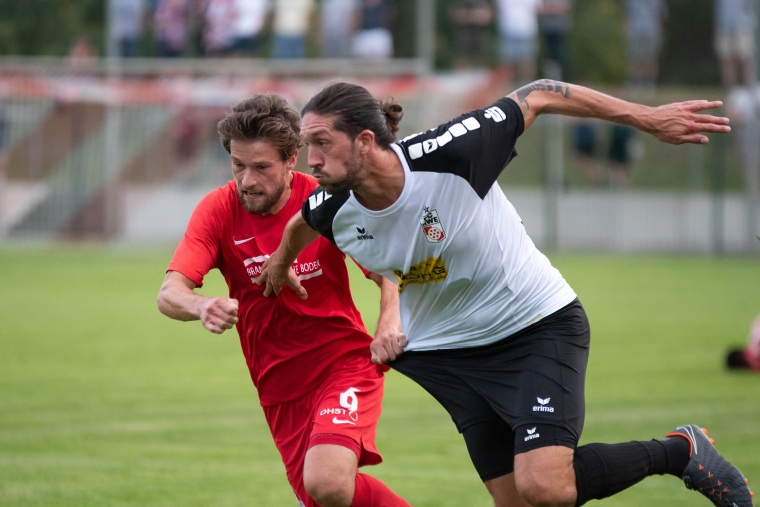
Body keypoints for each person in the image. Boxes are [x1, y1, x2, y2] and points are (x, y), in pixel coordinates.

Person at [257, 80, 754, 507]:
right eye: (308, 143)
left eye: (322, 142)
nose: (311, 158)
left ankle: (680, 451)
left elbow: (537, 94)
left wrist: (645, 117)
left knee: (546, 487)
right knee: (518, 501)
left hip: (533, 325)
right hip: (448, 357)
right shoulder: (331, 204)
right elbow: (302, 222)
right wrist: (280, 264)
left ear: (365, 141)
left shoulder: (451, 152)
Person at [157, 93, 411, 507]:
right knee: (324, 497)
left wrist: (389, 322)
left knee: (327, 482)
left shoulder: (325, 200)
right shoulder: (218, 210)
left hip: (343, 365)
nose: (247, 180)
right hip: (278, 388)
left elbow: (389, 271)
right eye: (238, 166)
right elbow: (170, 292)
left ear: (293, 158)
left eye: (261, 168)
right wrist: (201, 305)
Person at [625, 0, 668, 91]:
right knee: (635, 59)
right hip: (635, 33)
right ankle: (635, 83)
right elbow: (627, 16)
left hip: (652, 32)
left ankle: (649, 84)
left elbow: (662, 17)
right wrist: (628, 32)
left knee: (650, 59)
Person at [714, 0, 757, 88]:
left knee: (744, 57)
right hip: (723, 25)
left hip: (743, 24)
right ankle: (732, 92)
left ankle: (750, 90)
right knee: (726, 59)